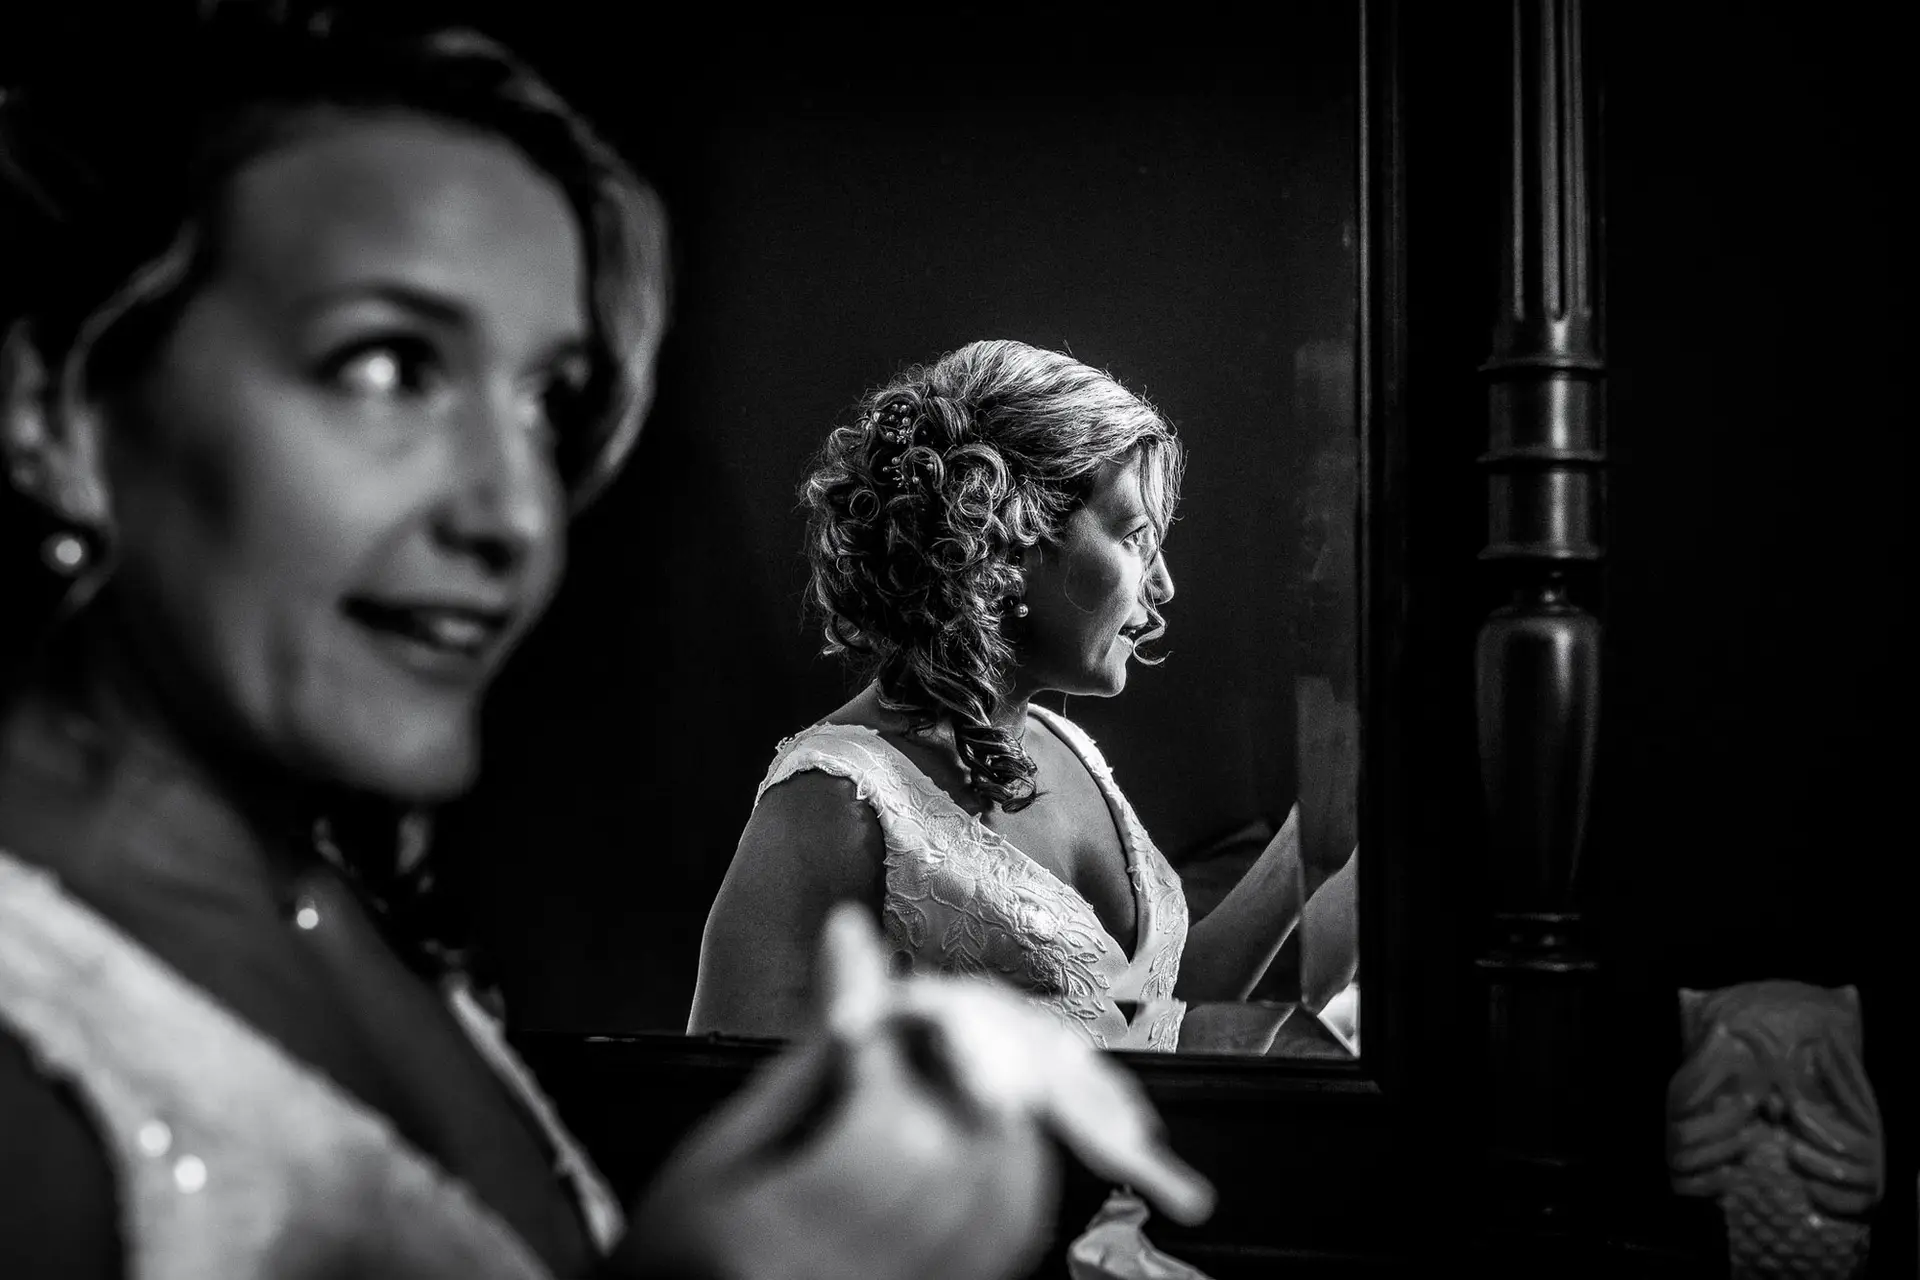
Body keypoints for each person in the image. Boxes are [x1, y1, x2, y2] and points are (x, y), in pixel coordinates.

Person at [0, 8, 1211, 1278]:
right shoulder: (37, 1035)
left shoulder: (339, 924)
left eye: (543, 401)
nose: (517, 512)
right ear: (62, 410)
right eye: (385, 367)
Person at [689, 339, 1341, 1055]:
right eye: (1135, 536)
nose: (1163, 588)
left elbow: (1142, 1020)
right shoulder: (832, 805)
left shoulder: (1067, 748)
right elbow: (723, 1114)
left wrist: (1306, 840)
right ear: (1010, 536)